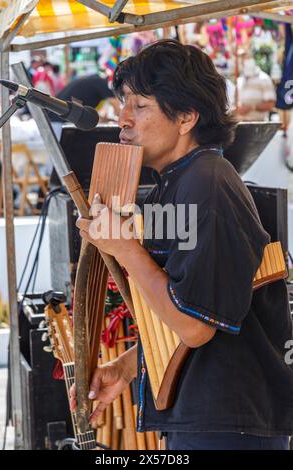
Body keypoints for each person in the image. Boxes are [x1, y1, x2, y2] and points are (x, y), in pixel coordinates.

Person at [70, 40, 293, 450]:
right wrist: (129, 365)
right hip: (210, 415)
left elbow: (196, 327)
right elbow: (193, 301)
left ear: (187, 116)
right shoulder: (181, 181)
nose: (122, 118)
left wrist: (125, 249)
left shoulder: (207, 185)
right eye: (124, 103)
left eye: (139, 106)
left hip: (229, 423)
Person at [237, 56, 276, 121]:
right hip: (241, 124)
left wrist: (252, 107)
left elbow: (270, 104)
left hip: (259, 124)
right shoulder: (240, 79)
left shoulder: (264, 79)